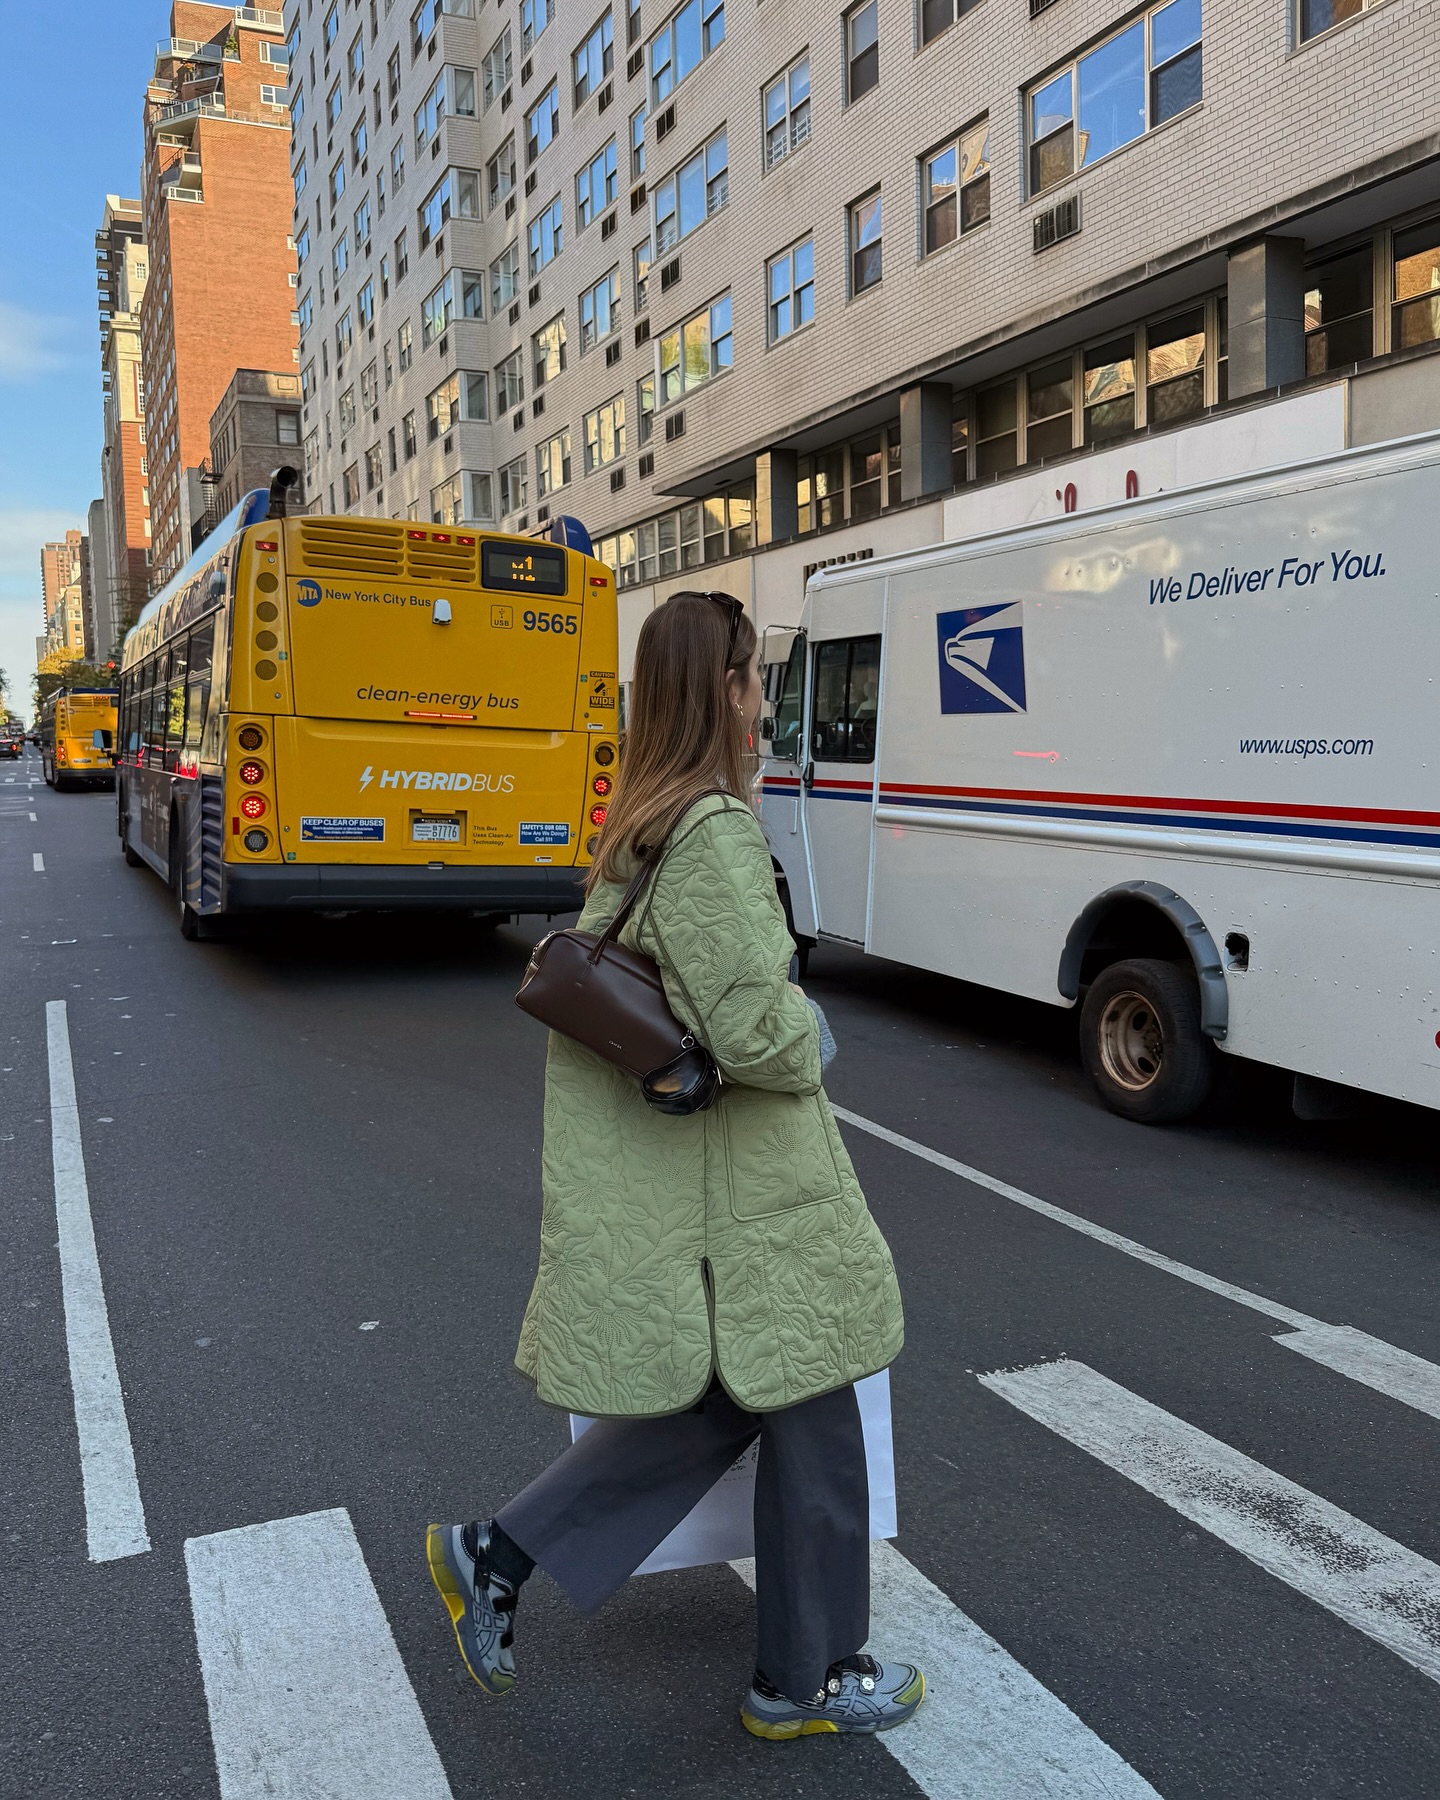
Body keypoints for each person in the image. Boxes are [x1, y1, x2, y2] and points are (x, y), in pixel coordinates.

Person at [428, 591, 921, 1740]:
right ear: (722, 692)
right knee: (810, 1402)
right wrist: (818, 1034)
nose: (762, 701)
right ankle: (802, 1679)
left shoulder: (645, 822)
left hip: (710, 1189)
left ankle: (498, 1553)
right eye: (752, 679)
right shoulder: (710, 833)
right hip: (747, 1199)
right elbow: (756, 1027)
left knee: (732, 1403)